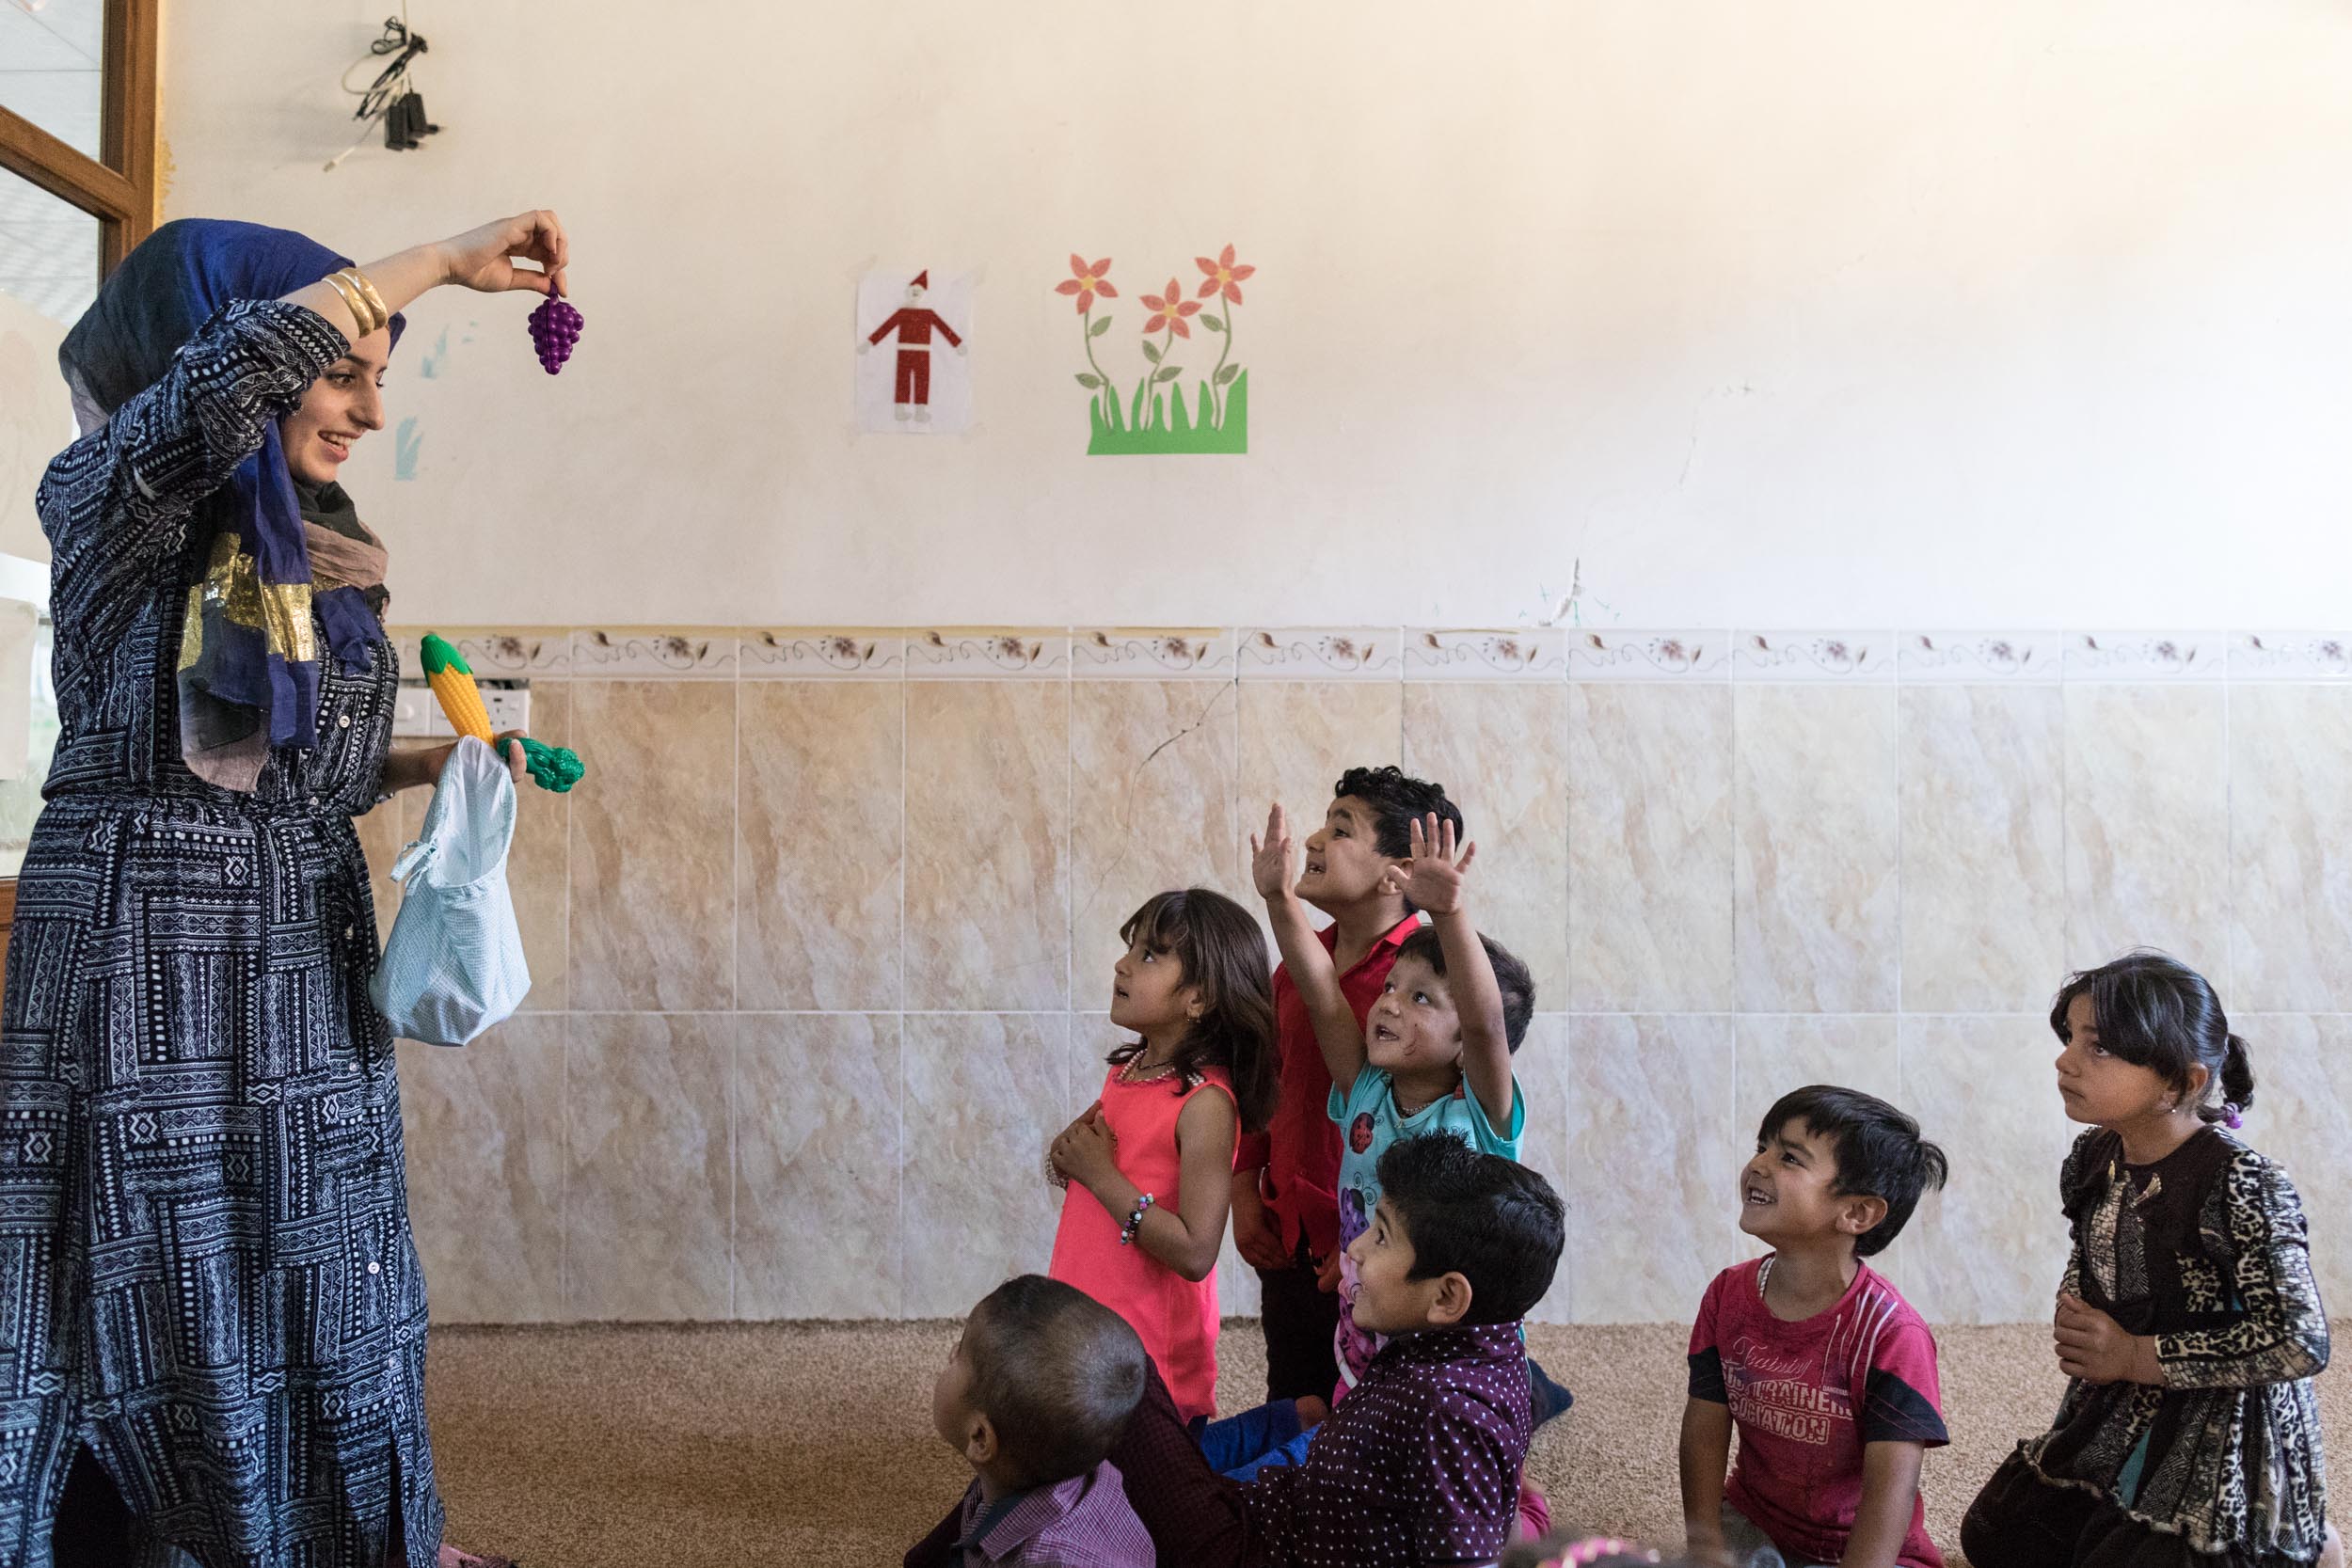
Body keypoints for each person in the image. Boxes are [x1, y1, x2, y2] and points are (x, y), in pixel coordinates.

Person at [4, 213, 565, 1568]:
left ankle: (330, 1536)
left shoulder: (288, 541)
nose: (370, 410)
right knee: (163, 1269)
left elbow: (280, 758)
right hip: (150, 961)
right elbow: (231, 371)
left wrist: (446, 759)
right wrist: (443, 257)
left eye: (383, 378)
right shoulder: (117, 497)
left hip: (295, 944)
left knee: (320, 1259)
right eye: (350, 372)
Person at [915, 1134, 1567, 1568]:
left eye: (1383, 1237)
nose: (1359, 1247)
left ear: (1448, 1297)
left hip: (1239, 1551)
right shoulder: (1477, 1347)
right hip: (1270, 1509)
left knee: (1109, 1365)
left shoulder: (1452, 1408)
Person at [1962, 952, 2341, 1568]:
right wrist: (2079, 1309)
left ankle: (2304, 1538)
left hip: (2223, 1415)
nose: (2065, 1059)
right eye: (2072, 1039)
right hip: (2120, 1401)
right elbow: (2092, 1252)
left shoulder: (2242, 1183)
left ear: (2183, 1082)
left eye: (2101, 1047)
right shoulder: (2094, 1155)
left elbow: (2300, 1341)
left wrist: (2139, 1355)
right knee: (1997, 1536)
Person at [1253, 806, 1534, 1400]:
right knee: (1358, 1432)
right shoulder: (1367, 1089)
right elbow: (1323, 993)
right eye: (1389, 989)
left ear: (1464, 1045)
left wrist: (1447, 913)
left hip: (1450, 1338)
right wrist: (1280, 899)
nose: (1389, 1005)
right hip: (1367, 1320)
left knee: (1445, 1446)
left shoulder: (1480, 1114)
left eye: (1423, 999)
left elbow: (1485, 1025)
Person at [1228, 766, 1456, 1406]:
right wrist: (1245, 1188)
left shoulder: (1424, 990)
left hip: (1373, 1245)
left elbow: (1427, 1130)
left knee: (1371, 1408)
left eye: (1341, 828)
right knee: (1292, 1398)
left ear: (1396, 872)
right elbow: (1262, 1081)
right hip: (1289, 1233)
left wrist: (1368, 1240)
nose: (1314, 839)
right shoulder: (1297, 966)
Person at [1680, 1086, 1951, 1568]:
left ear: (1857, 1213)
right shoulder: (1726, 1295)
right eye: (1761, 1147)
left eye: (1789, 1157)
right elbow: (1704, 1426)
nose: (1759, 1164)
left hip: (1864, 1550)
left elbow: (1892, 1490)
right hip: (1753, 1525)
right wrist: (1704, 1549)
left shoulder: (1893, 1335)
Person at [1046, 888, 1277, 1423]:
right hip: (1088, 1338)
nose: (1122, 965)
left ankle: (1284, 1428)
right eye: (1131, 949)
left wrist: (1100, 1176)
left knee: (1145, 1496)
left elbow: (1197, 1252)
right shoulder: (1127, 1074)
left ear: (1198, 998)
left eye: (1149, 955)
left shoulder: (1206, 1103)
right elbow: (1082, 1170)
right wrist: (1068, 1160)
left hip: (1148, 1364)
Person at [929, 1275, 1153, 1567]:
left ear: (980, 1438)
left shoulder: (1042, 1559)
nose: (949, 1355)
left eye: (958, 1355)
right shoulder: (1075, 1458)